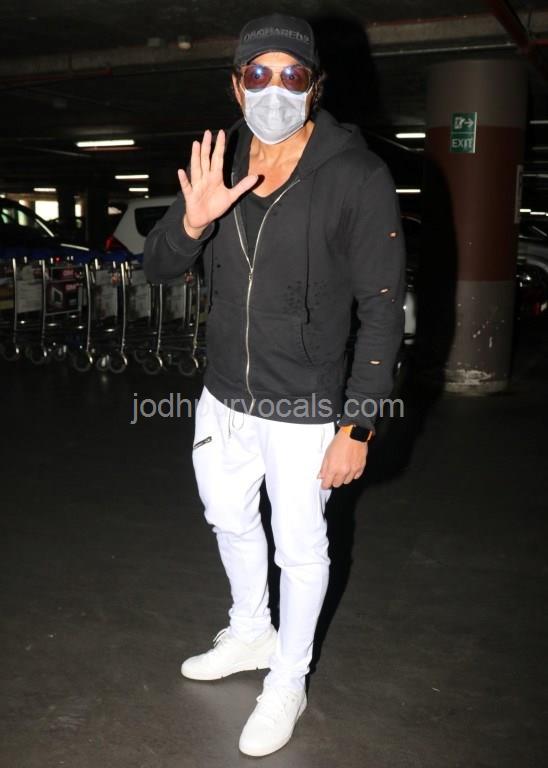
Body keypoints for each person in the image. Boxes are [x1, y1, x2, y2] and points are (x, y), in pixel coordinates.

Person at [144, 12, 405, 758]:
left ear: (315, 87)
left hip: (306, 405)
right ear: (236, 84)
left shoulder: (357, 176)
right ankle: (251, 630)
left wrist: (358, 425)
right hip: (224, 396)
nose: (274, 91)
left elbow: (383, 310)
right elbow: (158, 266)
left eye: (293, 76)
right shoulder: (219, 165)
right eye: (258, 75)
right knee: (227, 517)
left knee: (301, 547)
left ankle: (288, 679)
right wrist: (192, 225)